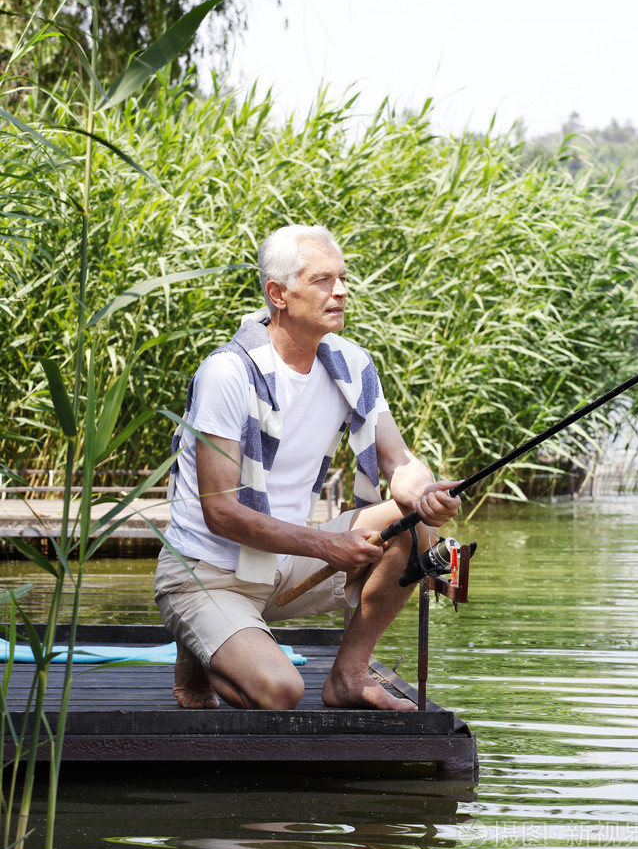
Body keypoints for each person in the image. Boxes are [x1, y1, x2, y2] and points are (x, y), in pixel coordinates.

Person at [154, 224, 461, 712]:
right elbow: (222, 514)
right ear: (278, 293)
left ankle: (349, 676)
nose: (341, 291)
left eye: (342, 278)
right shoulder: (227, 373)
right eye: (322, 281)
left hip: (281, 565)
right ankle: (202, 643)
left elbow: (399, 461)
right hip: (205, 572)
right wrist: (326, 544)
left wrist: (425, 493)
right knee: (280, 693)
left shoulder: (352, 365)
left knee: (412, 521)